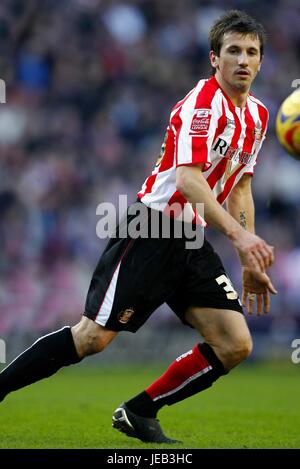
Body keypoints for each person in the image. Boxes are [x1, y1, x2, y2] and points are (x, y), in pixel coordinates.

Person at [0, 10, 277, 444]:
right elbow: (188, 178)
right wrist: (239, 237)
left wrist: (249, 253)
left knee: (235, 344)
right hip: (152, 227)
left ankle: (140, 411)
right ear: (214, 59)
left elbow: (241, 186)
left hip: (190, 238)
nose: (243, 60)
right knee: (92, 338)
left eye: (252, 52)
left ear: (261, 62)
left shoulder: (258, 116)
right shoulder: (202, 105)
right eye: (234, 51)